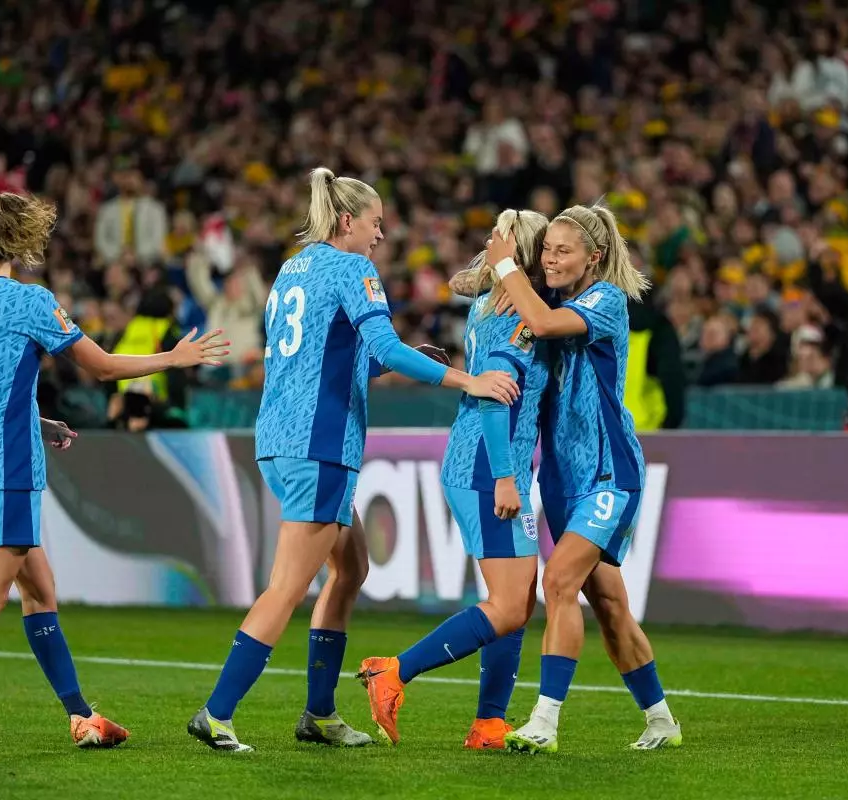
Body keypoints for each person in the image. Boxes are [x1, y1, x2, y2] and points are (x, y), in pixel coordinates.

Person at [187, 167, 520, 753]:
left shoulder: (293, 270)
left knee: (351, 570)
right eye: (376, 223)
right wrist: (464, 379)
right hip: (320, 447)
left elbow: (337, 363)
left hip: (281, 437)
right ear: (347, 221)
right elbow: (382, 345)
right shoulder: (351, 267)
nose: (380, 237)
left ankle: (319, 713)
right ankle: (216, 713)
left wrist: (400, 361)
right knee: (287, 587)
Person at [0, 192, 229, 757]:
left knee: (39, 591)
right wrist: (172, 360)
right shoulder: (30, 301)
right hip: (5, 469)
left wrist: (36, 421)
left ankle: (81, 716)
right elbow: (101, 366)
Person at [484, 202, 682, 754]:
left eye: (562, 251)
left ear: (594, 257)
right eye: (545, 250)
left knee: (558, 583)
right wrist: (491, 273)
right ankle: (661, 719)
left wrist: (506, 268)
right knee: (611, 606)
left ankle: (545, 722)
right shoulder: (547, 297)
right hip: (562, 481)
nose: (549, 259)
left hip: (607, 474)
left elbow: (543, 325)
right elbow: (483, 292)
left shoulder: (608, 302)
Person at [357, 209, 550, 749]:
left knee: (517, 599)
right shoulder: (520, 316)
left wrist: (492, 272)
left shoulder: (503, 299)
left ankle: (489, 722)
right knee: (511, 605)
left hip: (487, 462)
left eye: (498, 234)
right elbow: (495, 395)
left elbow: (465, 280)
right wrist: (507, 478)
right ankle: (393, 673)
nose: (488, 240)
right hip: (491, 465)